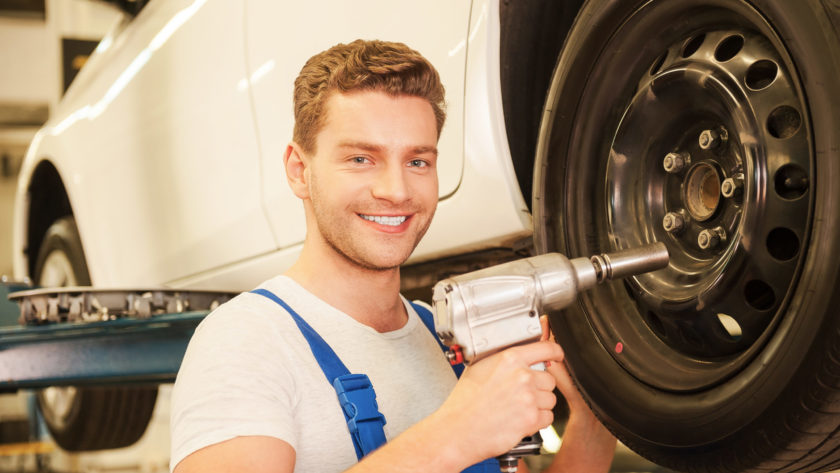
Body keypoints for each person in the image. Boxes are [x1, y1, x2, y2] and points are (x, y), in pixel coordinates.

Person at [170, 39, 616, 473]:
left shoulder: (446, 342)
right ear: (299, 170)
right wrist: (456, 433)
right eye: (362, 159)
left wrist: (593, 424)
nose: (397, 190)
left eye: (417, 162)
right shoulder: (248, 341)